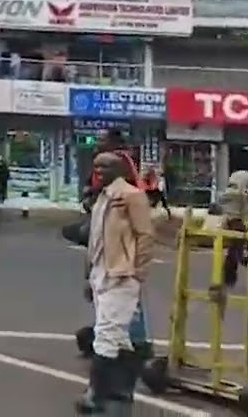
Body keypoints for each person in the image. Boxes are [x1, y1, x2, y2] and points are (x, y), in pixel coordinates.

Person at [77, 152, 154, 415]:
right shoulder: (102, 197)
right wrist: (89, 275)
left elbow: (145, 236)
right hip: (101, 272)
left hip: (121, 274)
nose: (99, 170)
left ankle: (95, 394)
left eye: (105, 165)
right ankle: (121, 389)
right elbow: (95, 241)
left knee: (107, 334)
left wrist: (137, 273)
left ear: (120, 169)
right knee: (118, 335)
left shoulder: (131, 196)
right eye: (96, 165)